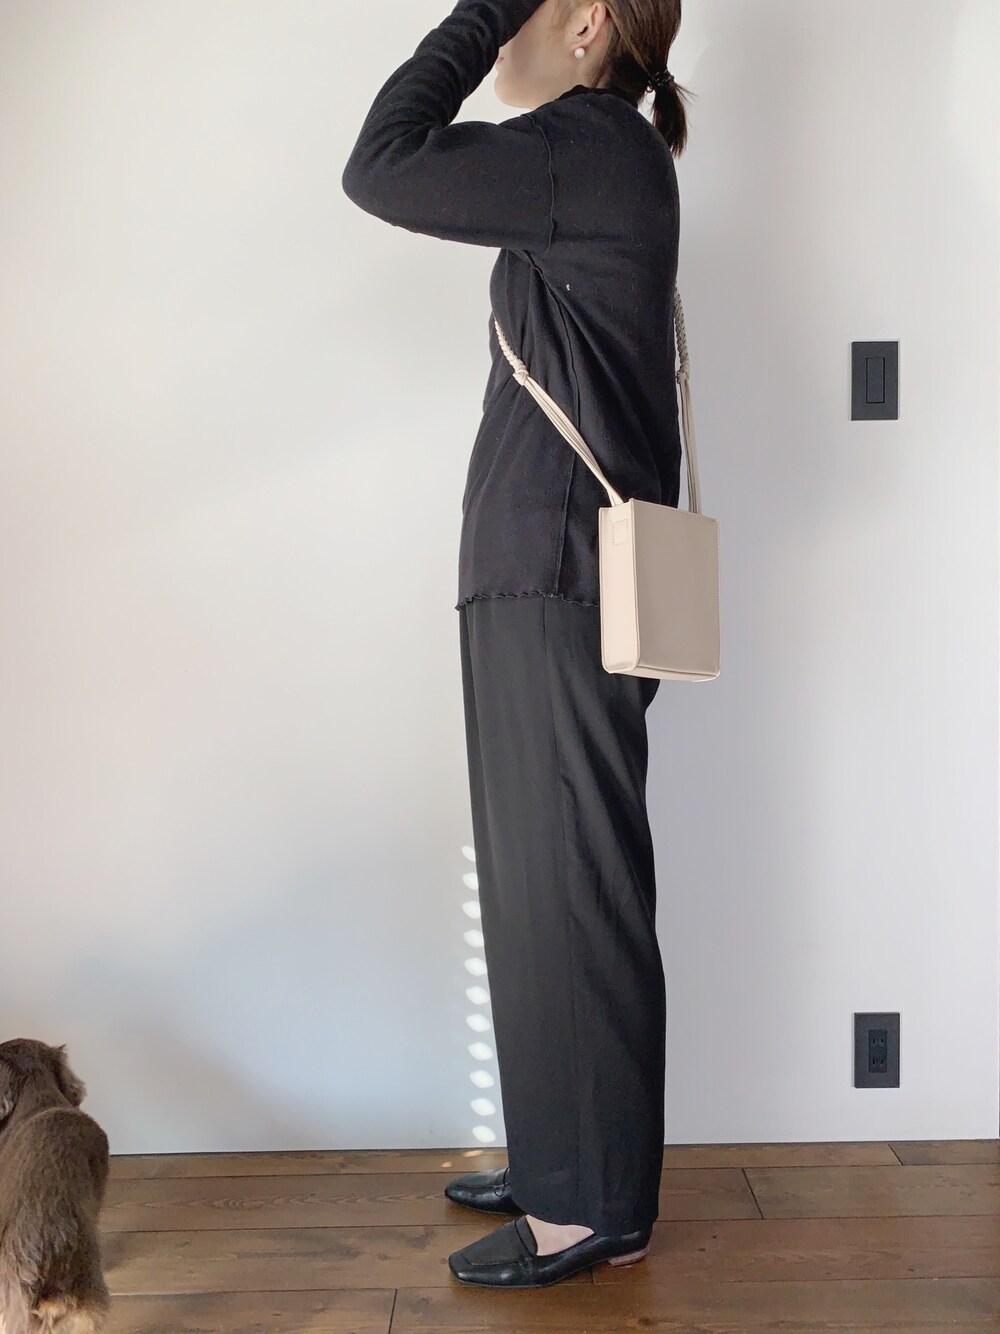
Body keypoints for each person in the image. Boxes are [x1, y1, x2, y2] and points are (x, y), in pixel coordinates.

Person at [342, 0, 688, 1290]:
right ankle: (560, 1153)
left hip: (556, 575)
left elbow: (382, 162)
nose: (499, 38)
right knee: (539, 885)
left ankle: (593, 1204)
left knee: (573, 887)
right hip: (537, 575)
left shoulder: (588, 145)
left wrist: (479, 9)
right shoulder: (593, 154)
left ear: (588, 22)